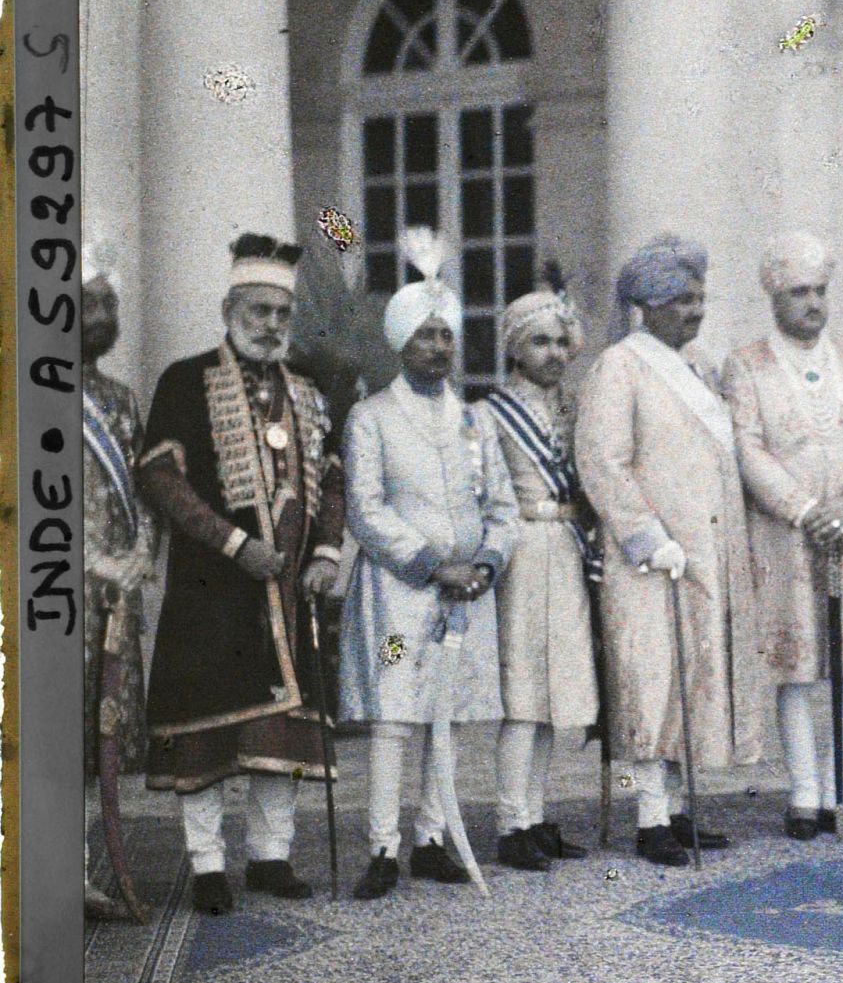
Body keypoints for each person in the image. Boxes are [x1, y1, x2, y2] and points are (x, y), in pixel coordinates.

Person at [137, 234, 343, 915]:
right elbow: (161, 477)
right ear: (230, 309)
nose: (271, 326)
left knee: (280, 730)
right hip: (211, 590)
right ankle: (206, 865)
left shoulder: (309, 394)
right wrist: (231, 542)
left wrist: (324, 555)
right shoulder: (183, 379)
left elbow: (332, 483)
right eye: (258, 312)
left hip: (288, 591)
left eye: (281, 314)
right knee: (208, 728)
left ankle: (270, 857)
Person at [576, 235, 767, 867]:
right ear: (649, 305)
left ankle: (681, 810)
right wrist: (648, 538)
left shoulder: (697, 368)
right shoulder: (620, 366)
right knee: (646, 687)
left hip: (704, 557)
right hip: (649, 561)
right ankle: (646, 815)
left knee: (694, 680)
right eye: (683, 301)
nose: (695, 312)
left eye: (700, 299)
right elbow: (602, 463)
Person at [339, 230, 519, 899]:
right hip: (397, 596)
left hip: (468, 594)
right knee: (394, 711)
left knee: (449, 711)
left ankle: (431, 837)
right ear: (401, 343)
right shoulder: (371, 417)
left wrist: (486, 563)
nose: (439, 347)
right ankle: (383, 847)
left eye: (447, 335)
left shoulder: (476, 421)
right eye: (426, 336)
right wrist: (428, 564)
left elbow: (502, 505)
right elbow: (365, 505)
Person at [724, 231, 843, 839]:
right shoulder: (746, 365)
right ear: (775, 296)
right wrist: (802, 509)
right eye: (800, 292)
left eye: (820, 291)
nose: (813, 304)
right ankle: (804, 795)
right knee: (795, 663)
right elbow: (745, 447)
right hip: (784, 536)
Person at [482, 286, 600, 870]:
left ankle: (535, 816)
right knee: (523, 695)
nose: (553, 353)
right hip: (523, 549)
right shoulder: (491, 413)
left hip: (568, 549)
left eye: (560, 341)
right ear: (515, 349)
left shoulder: (573, 407)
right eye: (539, 342)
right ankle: (510, 823)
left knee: (554, 694)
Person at [80, 243, 155, 920]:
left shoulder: (119, 398)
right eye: (90, 301)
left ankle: (76, 876)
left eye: (109, 303)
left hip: (113, 600)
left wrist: (139, 555)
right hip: (52, 596)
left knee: (90, 742)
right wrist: (88, 559)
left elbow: (145, 490)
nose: (102, 315)